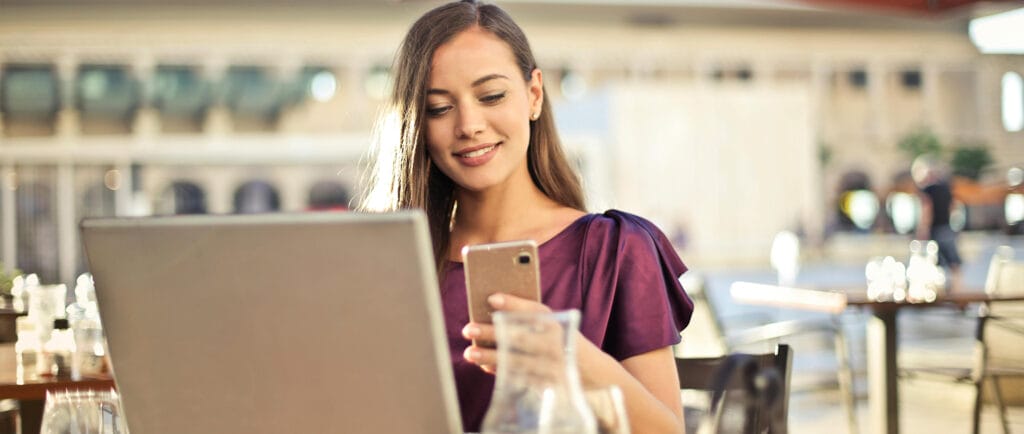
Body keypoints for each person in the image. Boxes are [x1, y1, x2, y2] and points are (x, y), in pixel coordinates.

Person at [359, 1, 693, 432]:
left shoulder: (613, 248)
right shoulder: (394, 265)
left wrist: (571, 356)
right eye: (439, 107)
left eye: (491, 96)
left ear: (534, 95)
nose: (469, 125)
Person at [912, 153, 963, 286]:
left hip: (934, 229)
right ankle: (958, 288)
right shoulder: (946, 188)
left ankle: (934, 289)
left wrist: (923, 229)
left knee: (932, 260)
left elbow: (927, 210)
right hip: (947, 227)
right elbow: (954, 207)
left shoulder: (927, 190)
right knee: (953, 262)